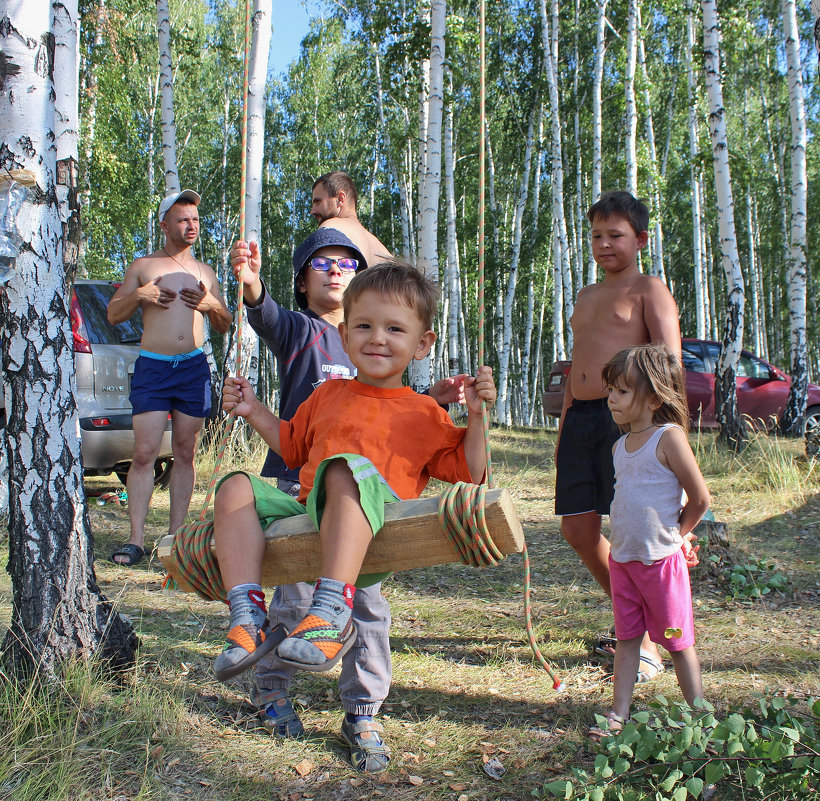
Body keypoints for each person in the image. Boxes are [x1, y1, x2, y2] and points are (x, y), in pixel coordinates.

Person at [211, 261, 495, 771]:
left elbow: (471, 472)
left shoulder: (424, 412)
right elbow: (292, 447)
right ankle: (249, 627)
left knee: (366, 617)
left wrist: (476, 416)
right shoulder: (327, 394)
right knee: (235, 489)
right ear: (343, 335)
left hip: (370, 537)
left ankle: (361, 714)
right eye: (363, 326)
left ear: (423, 344)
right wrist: (254, 409)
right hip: (306, 519)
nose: (377, 339)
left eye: (394, 329)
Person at [555, 190, 681, 680]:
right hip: (581, 419)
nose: (604, 244)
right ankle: (633, 617)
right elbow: (578, 365)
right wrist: (565, 423)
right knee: (578, 529)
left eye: (616, 235)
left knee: (633, 533)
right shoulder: (587, 295)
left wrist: (668, 435)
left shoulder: (649, 289)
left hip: (627, 422)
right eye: (596, 236)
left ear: (640, 239)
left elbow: (668, 365)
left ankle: (647, 641)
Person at [588, 343, 709, 738]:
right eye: (611, 390)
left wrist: (678, 535)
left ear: (654, 397)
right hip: (623, 562)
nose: (611, 398)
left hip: (660, 565)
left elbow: (700, 498)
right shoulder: (619, 447)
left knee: (676, 641)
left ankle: (699, 715)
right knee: (627, 640)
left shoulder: (668, 438)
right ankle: (617, 715)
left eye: (622, 391)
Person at [107, 190, 231, 566]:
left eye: (195, 219)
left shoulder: (205, 272)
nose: (191, 225)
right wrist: (140, 294)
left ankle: (176, 539)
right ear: (164, 225)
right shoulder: (144, 266)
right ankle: (135, 540)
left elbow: (224, 324)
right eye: (182, 219)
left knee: (185, 453)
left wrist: (212, 305)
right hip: (153, 366)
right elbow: (114, 314)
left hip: (192, 367)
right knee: (144, 453)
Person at [310, 171, 391, 268]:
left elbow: (330, 278)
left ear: (340, 199)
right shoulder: (383, 251)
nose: (313, 211)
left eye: (318, 201)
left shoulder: (332, 227)